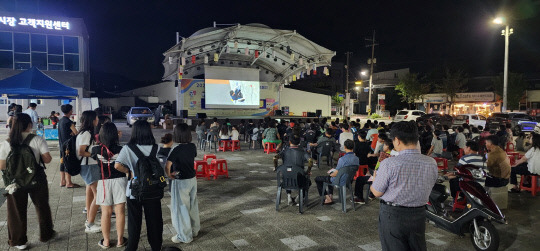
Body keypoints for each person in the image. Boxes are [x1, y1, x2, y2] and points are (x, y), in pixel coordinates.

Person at [370, 121, 438, 251]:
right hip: (419, 214)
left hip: (393, 215)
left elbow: (376, 192)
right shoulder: (431, 162)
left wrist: (374, 178)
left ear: (397, 140)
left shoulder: (389, 164)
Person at [0, 113, 56, 249]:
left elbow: (2, 166)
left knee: (16, 211)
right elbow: (47, 159)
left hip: (15, 182)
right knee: (42, 206)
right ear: (29, 125)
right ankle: (46, 235)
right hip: (36, 179)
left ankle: (19, 242)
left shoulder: (6, 143)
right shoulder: (37, 139)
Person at [114, 120, 163, 251]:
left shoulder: (128, 149)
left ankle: (132, 247)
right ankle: (156, 246)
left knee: (134, 221)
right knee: (155, 220)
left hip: (134, 191)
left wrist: (128, 171)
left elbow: (117, 165)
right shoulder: (156, 148)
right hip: (153, 190)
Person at [91, 122, 127, 248]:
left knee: (105, 212)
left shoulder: (96, 150)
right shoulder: (122, 149)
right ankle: (120, 240)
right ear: (115, 134)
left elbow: (93, 155)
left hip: (104, 182)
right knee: (120, 211)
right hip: (120, 181)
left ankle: (106, 241)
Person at [165, 123, 200, 244]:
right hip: (192, 179)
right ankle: (195, 230)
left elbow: (167, 165)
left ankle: (184, 236)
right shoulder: (192, 146)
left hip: (180, 181)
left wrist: (169, 175)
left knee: (181, 208)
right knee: (193, 205)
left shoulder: (176, 148)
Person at [76, 111, 101, 233]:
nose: (98, 119)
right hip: (89, 166)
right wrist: (95, 156)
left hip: (87, 166)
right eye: (96, 118)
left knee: (91, 192)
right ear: (92, 120)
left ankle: (89, 220)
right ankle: (90, 224)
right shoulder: (86, 134)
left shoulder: (83, 133)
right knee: (99, 195)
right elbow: (81, 151)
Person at [315, 139, 359, 205]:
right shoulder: (356, 159)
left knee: (318, 179)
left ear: (344, 147)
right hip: (348, 180)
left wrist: (331, 173)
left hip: (338, 180)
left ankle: (328, 198)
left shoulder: (342, 159)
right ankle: (330, 196)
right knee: (328, 178)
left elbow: (335, 174)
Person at [273, 135, 313, 205]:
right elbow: (310, 160)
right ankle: (299, 197)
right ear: (299, 142)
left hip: (286, 179)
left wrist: (276, 167)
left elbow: (275, 158)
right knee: (308, 182)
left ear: (290, 142)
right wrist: (308, 171)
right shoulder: (302, 151)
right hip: (299, 178)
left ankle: (289, 196)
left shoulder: (284, 151)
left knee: (287, 175)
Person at [355, 138, 394, 204]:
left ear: (387, 147)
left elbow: (378, 169)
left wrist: (371, 174)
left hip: (379, 179)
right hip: (388, 179)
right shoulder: (394, 155)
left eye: (384, 145)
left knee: (359, 179)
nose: (383, 146)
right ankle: (371, 195)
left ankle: (360, 198)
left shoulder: (384, 155)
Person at [58, 104, 81, 188]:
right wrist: (73, 134)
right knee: (68, 162)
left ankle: (62, 181)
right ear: (70, 111)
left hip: (61, 145)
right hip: (68, 146)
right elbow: (76, 132)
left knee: (62, 162)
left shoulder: (61, 121)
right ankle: (69, 182)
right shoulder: (69, 122)